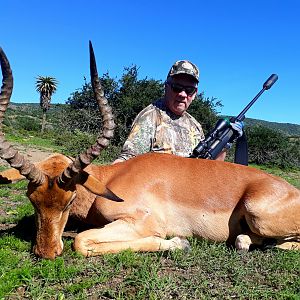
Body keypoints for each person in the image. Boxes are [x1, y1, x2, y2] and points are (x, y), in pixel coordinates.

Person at [113, 60, 243, 164]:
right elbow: (128, 160)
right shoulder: (151, 116)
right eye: (177, 88)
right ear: (166, 87)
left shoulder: (195, 125)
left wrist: (225, 143)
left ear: (195, 94)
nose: (182, 94)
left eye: (189, 90)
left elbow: (211, 168)